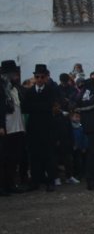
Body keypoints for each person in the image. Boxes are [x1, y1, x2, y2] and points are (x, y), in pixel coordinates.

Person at [21, 64, 58, 192]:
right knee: (35, 156)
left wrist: (36, 107)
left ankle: (51, 181)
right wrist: (41, 107)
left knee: (49, 156)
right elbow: (25, 107)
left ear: (45, 77)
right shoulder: (30, 91)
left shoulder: (50, 90)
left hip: (47, 128)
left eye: (42, 77)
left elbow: (49, 105)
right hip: (34, 128)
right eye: (37, 77)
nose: (39, 79)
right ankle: (35, 181)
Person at [0, 60, 27, 195]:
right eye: (14, 74)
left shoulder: (15, 88)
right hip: (6, 127)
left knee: (13, 158)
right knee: (3, 158)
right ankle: (3, 186)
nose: (17, 76)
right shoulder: (1, 88)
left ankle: (11, 184)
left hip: (17, 127)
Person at [51, 101, 77, 185]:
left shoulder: (64, 116)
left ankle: (69, 177)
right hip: (54, 142)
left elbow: (69, 129)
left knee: (68, 160)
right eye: (55, 106)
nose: (56, 108)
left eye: (58, 106)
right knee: (54, 161)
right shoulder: (50, 117)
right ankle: (56, 177)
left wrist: (72, 141)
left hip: (65, 141)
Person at [71, 111, 88, 181]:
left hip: (81, 147)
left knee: (80, 161)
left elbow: (85, 138)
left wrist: (84, 146)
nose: (77, 118)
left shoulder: (81, 127)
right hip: (73, 147)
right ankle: (75, 174)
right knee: (74, 161)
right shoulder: (70, 127)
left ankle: (81, 174)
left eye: (79, 117)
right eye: (76, 116)